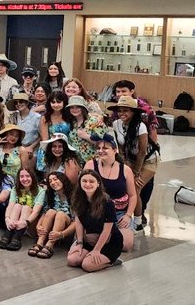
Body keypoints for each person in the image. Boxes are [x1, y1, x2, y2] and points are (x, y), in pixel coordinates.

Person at [109, 96, 157, 231]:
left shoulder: (140, 126)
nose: (122, 113)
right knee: (125, 185)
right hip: (130, 158)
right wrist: (124, 165)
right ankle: (125, 214)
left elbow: (142, 151)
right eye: (120, 111)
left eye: (126, 111)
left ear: (133, 112)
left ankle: (137, 220)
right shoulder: (116, 124)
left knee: (135, 188)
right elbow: (120, 147)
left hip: (148, 160)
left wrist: (135, 173)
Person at [83, 134, 137, 252]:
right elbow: (81, 191)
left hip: (119, 213)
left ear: (114, 150)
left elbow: (133, 195)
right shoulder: (90, 165)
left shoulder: (126, 170)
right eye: (98, 148)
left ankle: (107, 238)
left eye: (105, 148)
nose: (101, 151)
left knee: (126, 245)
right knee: (89, 239)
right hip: (97, 212)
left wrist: (128, 215)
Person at [68, 169, 124, 272]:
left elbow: (107, 230)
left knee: (87, 266)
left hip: (108, 242)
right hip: (89, 240)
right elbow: (79, 223)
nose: (87, 184)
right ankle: (89, 255)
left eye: (91, 181)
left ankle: (111, 261)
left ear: (98, 183)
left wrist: (97, 250)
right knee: (72, 260)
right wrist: (80, 243)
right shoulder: (77, 199)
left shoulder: (107, 202)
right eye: (84, 181)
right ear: (79, 182)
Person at [30, 172, 75, 259]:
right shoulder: (50, 194)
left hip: (67, 229)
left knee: (60, 214)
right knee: (50, 211)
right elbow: (45, 212)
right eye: (50, 181)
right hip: (51, 225)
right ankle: (40, 243)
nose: (53, 183)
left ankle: (50, 245)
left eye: (55, 179)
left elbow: (77, 221)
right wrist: (38, 225)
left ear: (63, 179)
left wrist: (61, 234)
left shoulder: (74, 195)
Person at [0, 168, 45, 251]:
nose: (24, 179)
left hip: (31, 222)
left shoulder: (41, 191)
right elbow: (10, 205)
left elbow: (36, 211)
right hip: (15, 221)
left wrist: (25, 222)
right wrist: (7, 219)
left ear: (32, 177)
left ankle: (17, 238)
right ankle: (8, 234)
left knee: (26, 207)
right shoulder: (15, 189)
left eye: (27, 176)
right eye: (21, 176)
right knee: (17, 206)